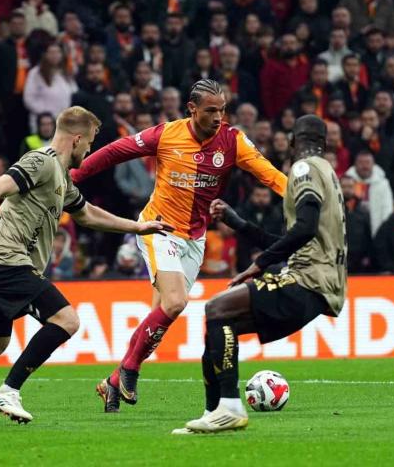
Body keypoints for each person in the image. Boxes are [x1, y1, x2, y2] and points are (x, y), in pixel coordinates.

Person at [0, 106, 172, 425]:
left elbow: (87, 214)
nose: (89, 151)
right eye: (89, 143)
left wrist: (138, 227)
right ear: (77, 139)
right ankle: (9, 391)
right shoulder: (41, 161)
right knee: (67, 320)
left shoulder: (61, 176)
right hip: (4, 261)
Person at [71, 79, 286, 413]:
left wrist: (305, 197)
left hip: (194, 239)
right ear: (192, 109)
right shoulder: (167, 135)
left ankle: (113, 381)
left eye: (222, 110)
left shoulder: (233, 141)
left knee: (161, 317)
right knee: (175, 303)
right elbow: (116, 151)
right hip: (158, 227)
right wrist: (72, 176)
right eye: (211, 110)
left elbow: (270, 174)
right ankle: (130, 370)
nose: (218, 117)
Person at [172, 114, 345, 434]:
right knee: (219, 327)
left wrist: (260, 263)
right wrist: (238, 223)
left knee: (216, 309)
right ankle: (213, 413)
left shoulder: (304, 169)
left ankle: (229, 407)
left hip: (308, 279)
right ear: (325, 143)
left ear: (292, 142)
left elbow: (305, 229)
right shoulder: (328, 174)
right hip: (320, 283)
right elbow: (295, 240)